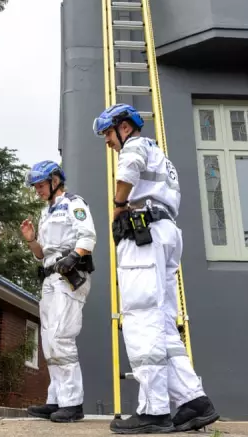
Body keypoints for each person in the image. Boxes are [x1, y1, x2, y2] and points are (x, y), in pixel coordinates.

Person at [93, 103, 220, 434]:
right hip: (165, 233)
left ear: (124, 128)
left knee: (140, 316)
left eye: (108, 133)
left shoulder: (135, 146)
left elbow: (128, 170)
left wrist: (118, 206)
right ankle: (194, 401)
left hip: (143, 235)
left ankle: (153, 411)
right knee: (163, 323)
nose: (107, 141)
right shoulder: (160, 155)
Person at [20, 161, 96, 424]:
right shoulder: (46, 213)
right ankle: (56, 400)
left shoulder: (74, 203)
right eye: (36, 186)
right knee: (49, 341)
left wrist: (73, 257)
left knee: (62, 337)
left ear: (55, 180)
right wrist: (31, 239)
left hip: (68, 276)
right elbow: (41, 254)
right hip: (49, 278)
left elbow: (88, 237)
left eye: (41, 185)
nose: (38, 190)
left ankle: (72, 403)